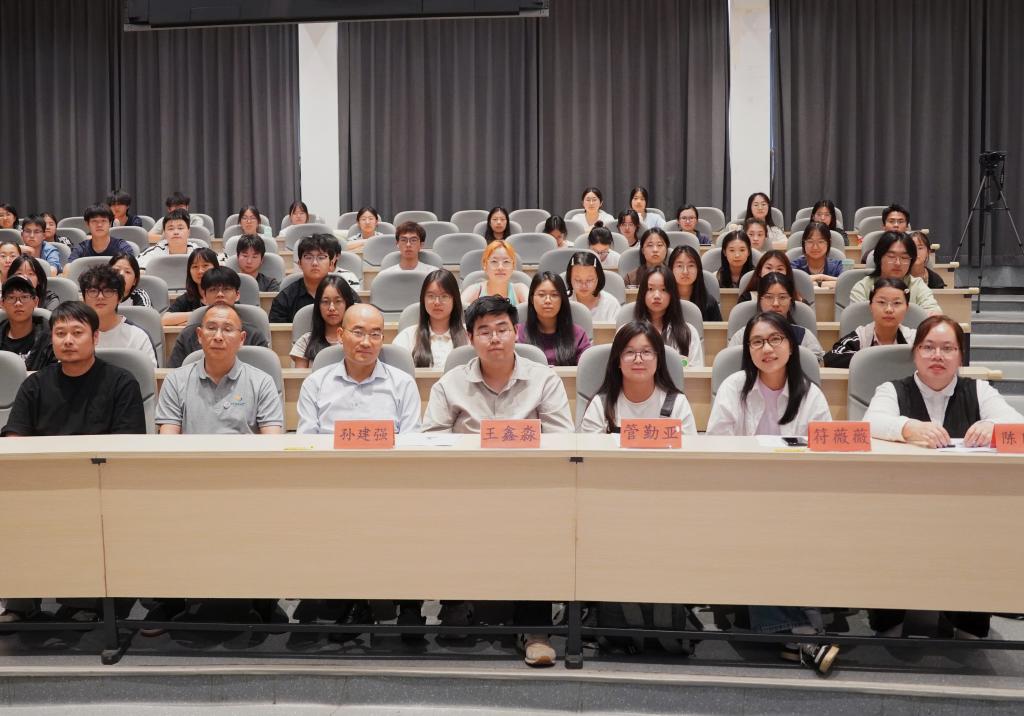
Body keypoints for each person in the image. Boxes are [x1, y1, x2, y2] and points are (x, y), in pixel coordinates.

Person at [422, 295, 572, 667]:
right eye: (484, 331)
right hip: (465, 487)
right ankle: (456, 606)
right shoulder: (450, 384)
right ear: (470, 337)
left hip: (530, 488)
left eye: (502, 329)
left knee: (542, 521)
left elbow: (562, 439)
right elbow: (432, 440)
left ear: (515, 332)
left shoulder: (544, 379)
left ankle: (535, 628)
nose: (494, 338)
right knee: (443, 513)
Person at [864, 316, 1022, 641]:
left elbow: (1017, 424)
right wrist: (907, 427)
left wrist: (994, 426)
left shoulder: (978, 390)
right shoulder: (892, 389)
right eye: (928, 347)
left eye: (948, 348)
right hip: (903, 501)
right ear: (914, 353)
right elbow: (870, 423)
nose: (937, 355)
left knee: (980, 535)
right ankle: (889, 617)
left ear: (960, 356)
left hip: (965, 505)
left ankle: (967, 619)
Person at [706, 311, 837, 674]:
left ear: (791, 347)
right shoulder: (734, 387)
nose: (767, 349)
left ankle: (795, 630)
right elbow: (717, 445)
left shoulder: (809, 394)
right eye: (757, 342)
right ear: (748, 350)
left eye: (775, 339)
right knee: (757, 532)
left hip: (797, 495)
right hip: (742, 494)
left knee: (787, 529)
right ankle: (804, 629)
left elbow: (823, 450)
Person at [0, 302, 145, 625]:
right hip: (42, 485)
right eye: (60, 333)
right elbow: (14, 439)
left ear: (95, 337)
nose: (68, 340)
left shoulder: (121, 383)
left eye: (77, 333)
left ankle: (86, 600)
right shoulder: (35, 384)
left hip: (101, 484)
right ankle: (21, 600)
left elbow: (127, 447)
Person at [157, 304, 283, 435]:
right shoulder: (175, 381)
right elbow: (168, 441)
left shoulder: (262, 383)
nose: (218, 337)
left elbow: (272, 441)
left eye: (227, 329)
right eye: (211, 328)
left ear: (241, 339)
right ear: (199, 335)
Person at [297, 303, 420, 434]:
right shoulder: (315, 384)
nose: (366, 342)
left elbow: (412, 441)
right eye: (358, 333)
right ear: (340, 335)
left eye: (375, 334)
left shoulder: (404, 384)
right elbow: (306, 440)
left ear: (382, 340)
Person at [580, 320, 697, 434]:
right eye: (629, 352)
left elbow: (690, 447)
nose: (638, 360)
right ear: (618, 361)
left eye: (646, 352)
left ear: (659, 360)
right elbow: (589, 447)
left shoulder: (677, 404)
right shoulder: (601, 405)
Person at [168, 267, 271, 368]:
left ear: (237, 295)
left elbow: (264, 373)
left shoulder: (254, 336)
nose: (220, 294)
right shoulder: (188, 336)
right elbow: (174, 373)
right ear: (204, 296)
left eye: (226, 289)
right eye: (213, 290)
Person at [728, 272, 823, 360]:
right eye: (769, 297)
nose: (776, 303)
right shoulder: (742, 335)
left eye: (782, 297)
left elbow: (816, 367)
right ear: (759, 300)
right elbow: (731, 364)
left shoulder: (803, 335)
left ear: (790, 301)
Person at [824, 279, 915, 368]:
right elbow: (831, 358)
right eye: (881, 302)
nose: (889, 309)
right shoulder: (860, 336)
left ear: (906, 308)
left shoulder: (915, 338)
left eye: (897, 303)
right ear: (871, 306)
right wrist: (881, 358)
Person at [79, 265, 157, 367]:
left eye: (108, 291)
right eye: (93, 291)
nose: (100, 296)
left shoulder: (138, 336)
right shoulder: (74, 335)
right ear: (84, 298)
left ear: (120, 298)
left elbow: (150, 375)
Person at [269, 234, 355, 323]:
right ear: (299, 264)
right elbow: (279, 330)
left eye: (321, 257)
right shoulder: (285, 298)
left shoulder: (345, 292)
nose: (314, 263)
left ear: (331, 263)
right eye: (308, 257)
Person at [849, 232, 941, 313]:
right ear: (879, 258)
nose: (898, 263)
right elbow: (856, 320)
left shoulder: (917, 285)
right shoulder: (863, 287)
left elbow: (933, 312)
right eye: (891, 256)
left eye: (904, 257)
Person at [393, 269, 468, 368]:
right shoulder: (407, 336)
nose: (437, 302)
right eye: (431, 296)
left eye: (444, 296)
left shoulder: (470, 335)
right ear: (423, 300)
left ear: (455, 300)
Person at [631, 266, 703, 367]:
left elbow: (696, 373)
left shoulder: (688, 333)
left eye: (663, 289)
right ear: (642, 293)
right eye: (650, 289)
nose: (656, 295)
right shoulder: (626, 332)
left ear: (672, 294)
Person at [517, 272, 591, 366]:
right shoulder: (518, 334)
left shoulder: (578, 334)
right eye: (541, 294)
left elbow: (587, 368)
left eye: (554, 295)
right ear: (532, 299)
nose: (548, 300)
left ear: (562, 299)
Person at [290, 274, 361, 368]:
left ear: (347, 304)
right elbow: (300, 376)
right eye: (325, 302)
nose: (331, 308)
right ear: (318, 306)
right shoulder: (306, 342)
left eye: (338, 301)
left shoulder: (358, 340)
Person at [0, 275, 56, 369]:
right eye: (11, 298)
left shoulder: (50, 337)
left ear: (35, 301)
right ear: (2, 303)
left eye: (24, 297)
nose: (18, 303)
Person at [460, 239, 529, 304]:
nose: (500, 267)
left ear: (513, 266)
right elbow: (458, 309)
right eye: (494, 261)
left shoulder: (520, 290)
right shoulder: (475, 290)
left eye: (506, 262)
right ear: (485, 265)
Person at [162, 248, 219, 325]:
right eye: (195, 267)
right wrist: (197, 315)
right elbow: (165, 319)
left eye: (205, 265)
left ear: (216, 268)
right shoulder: (187, 298)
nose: (200, 271)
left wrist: (191, 321)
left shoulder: (226, 293)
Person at [137, 208, 205, 268]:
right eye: (171, 229)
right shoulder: (156, 251)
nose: (176, 232)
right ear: (165, 233)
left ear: (188, 232)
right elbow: (135, 267)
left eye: (180, 228)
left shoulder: (198, 252)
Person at [669, 245, 722, 321]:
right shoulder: (664, 300)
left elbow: (716, 328)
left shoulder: (709, 303)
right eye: (679, 266)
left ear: (698, 270)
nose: (685, 272)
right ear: (671, 269)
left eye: (691, 266)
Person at [68, 204, 137, 262]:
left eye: (103, 221)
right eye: (94, 221)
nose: (99, 225)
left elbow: (131, 268)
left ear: (110, 223)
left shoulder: (122, 247)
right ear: (87, 224)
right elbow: (69, 268)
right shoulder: (81, 249)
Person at [566, 251, 619, 322]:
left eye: (589, 280)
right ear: (570, 278)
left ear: (598, 278)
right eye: (578, 280)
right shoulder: (562, 301)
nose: (584, 286)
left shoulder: (611, 304)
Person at [791, 221, 842, 287]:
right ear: (804, 243)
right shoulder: (795, 266)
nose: (815, 247)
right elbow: (790, 283)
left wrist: (822, 278)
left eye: (820, 242)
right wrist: (820, 277)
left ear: (828, 243)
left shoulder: (837, 266)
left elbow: (845, 282)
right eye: (810, 242)